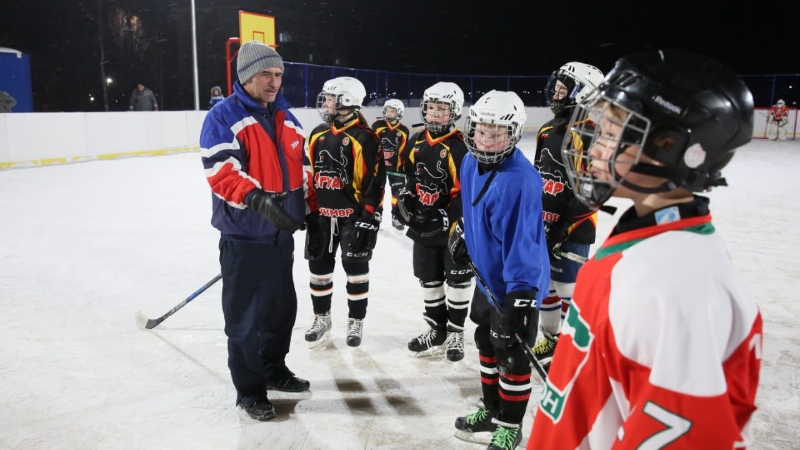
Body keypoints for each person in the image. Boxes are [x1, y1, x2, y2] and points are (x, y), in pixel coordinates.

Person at [529, 50, 762, 449]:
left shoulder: (677, 292)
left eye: (612, 132)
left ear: (668, 146)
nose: (595, 147)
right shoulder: (648, 242)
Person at [199, 40, 313, 422]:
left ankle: (273, 369)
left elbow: (303, 169)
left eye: (278, 74)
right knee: (245, 323)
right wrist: (257, 198)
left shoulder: (288, 118)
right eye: (266, 74)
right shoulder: (224, 117)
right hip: (245, 239)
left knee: (281, 312)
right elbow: (221, 171)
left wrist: (312, 207)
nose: (274, 81)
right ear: (247, 75)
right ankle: (249, 390)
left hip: (282, 237)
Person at [448, 90, 550, 450]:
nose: (487, 140)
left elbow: (524, 243)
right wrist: (464, 232)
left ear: (514, 134)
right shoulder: (469, 162)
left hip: (517, 283)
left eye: (498, 133)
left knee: (512, 353)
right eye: (482, 131)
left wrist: (521, 298)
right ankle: (492, 410)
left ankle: (510, 425)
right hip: (487, 276)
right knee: (485, 340)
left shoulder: (521, 180)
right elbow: (473, 209)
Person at [530, 62, 604, 371]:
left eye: (565, 86)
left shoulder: (588, 134)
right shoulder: (547, 129)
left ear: (584, 93)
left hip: (574, 227)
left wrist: (564, 225)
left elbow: (594, 189)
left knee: (568, 290)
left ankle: (572, 348)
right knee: (545, 285)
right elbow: (539, 175)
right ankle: (551, 339)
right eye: (557, 84)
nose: (556, 90)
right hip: (544, 225)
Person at [303, 76, 385, 349]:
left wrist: (369, 217)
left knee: (356, 270)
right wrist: (308, 208)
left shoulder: (365, 138)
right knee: (319, 271)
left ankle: (356, 320)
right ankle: (322, 318)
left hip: (353, 218)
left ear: (348, 101)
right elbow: (311, 176)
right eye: (326, 98)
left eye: (331, 99)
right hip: (322, 216)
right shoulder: (317, 134)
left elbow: (375, 182)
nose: (325, 103)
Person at [397, 81, 473, 362]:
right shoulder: (416, 140)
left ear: (454, 112)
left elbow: (465, 192)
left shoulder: (460, 146)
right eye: (431, 108)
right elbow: (409, 177)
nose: (436, 113)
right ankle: (437, 329)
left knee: (458, 280)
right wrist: (406, 197)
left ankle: (456, 332)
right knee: (428, 278)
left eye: (443, 109)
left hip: (453, 230)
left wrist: (448, 218)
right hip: (423, 225)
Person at [372, 99, 410, 231]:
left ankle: (396, 216)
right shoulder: (377, 126)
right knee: (377, 191)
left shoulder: (403, 130)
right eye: (387, 110)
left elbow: (403, 151)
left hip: (396, 169)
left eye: (392, 111)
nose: (389, 113)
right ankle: (376, 214)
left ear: (399, 113)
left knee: (398, 194)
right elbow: (372, 146)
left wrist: (402, 168)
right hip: (379, 167)